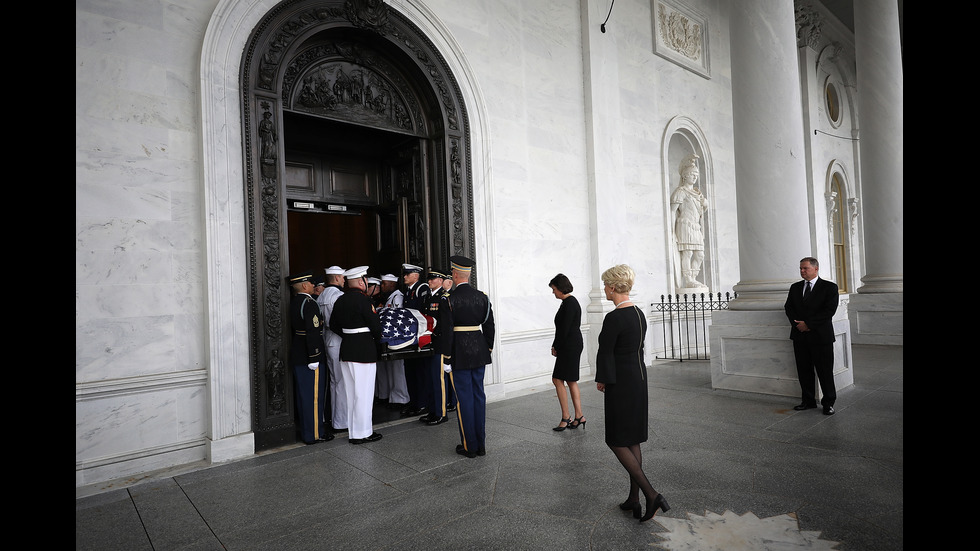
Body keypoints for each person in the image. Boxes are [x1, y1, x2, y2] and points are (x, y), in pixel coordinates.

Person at [595, 264, 669, 523]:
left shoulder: (614, 317)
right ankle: (634, 498)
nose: (604, 288)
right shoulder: (638, 313)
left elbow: (606, 351)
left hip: (621, 382)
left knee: (616, 440)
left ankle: (651, 494)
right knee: (632, 439)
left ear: (614, 287)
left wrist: (602, 379)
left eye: (605, 284)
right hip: (638, 379)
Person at [440, 255, 495, 458]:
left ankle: (469, 446)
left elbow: (446, 332)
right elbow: (489, 326)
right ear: (468, 275)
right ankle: (481, 445)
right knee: (479, 396)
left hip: (459, 354)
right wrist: (487, 349)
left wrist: (446, 357)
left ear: (454, 275)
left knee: (464, 400)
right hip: (479, 351)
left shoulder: (449, 299)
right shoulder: (483, 297)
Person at [330, 266, 384, 444]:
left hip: (347, 349)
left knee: (351, 393)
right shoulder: (363, 300)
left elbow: (333, 325)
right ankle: (363, 433)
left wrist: (349, 334)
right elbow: (376, 326)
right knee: (364, 393)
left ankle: (355, 431)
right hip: (363, 351)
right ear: (362, 282)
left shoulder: (340, 300)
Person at [784, 257, 839, 415]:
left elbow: (829, 311)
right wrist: (798, 325)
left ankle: (828, 403)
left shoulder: (829, 287)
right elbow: (789, 308)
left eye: (805, 268)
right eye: (800, 268)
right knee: (804, 370)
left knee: (825, 371)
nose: (802, 271)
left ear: (816, 269)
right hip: (800, 336)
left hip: (821, 337)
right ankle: (808, 401)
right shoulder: (795, 287)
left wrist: (808, 324)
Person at [287, 270, 333, 445]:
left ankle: (309, 431)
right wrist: (314, 356)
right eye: (311, 283)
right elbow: (313, 332)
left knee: (304, 396)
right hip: (309, 355)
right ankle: (314, 434)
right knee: (313, 398)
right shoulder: (309, 303)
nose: (314, 285)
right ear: (305, 285)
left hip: (299, 353)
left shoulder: (295, 302)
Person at [548, 273, 585, 431]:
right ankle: (579, 416)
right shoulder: (568, 302)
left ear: (561, 288)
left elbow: (564, 329)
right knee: (570, 380)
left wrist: (556, 345)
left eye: (554, 289)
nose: (553, 292)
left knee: (557, 379)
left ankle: (566, 417)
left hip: (569, 345)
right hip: (571, 343)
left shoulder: (569, 303)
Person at [670, 154, 709, 289]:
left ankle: (693, 277)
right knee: (688, 253)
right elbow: (672, 211)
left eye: (696, 175)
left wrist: (704, 203)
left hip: (695, 226)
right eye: (692, 174)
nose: (695, 177)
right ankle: (688, 279)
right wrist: (672, 231)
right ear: (685, 176)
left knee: (700, 254)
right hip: (684, 224)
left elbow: (700, 211)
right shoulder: (680, 191)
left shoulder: (698, 193)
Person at [317, 265, 348, 433]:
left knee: (335, 382)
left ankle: (334, 417)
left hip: (327, 339)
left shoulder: (322, 295)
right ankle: (341, 421)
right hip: (338, 339)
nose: (344, 281)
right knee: (341, 382)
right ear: (337, 278)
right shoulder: (338, 296)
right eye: (343, 278)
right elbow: (340, 321)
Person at [419, 268, 450, 425]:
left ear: (440, 281)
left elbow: (445, 324)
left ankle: (441, 413)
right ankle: (432, 411)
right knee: (430, 379)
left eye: (433, 279)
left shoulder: (443, 298)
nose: (429, 281)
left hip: (439, 343)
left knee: (439, 380)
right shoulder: (427, 297)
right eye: (429, 279)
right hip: (428, 343)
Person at [401, 263, 431, 417]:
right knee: (410, 370)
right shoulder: (408, 292)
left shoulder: (422, 289)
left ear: (416, 275)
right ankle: (414, 401)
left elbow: (423, 313)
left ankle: (422, 403)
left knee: (420, 372)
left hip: (420, 336)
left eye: (408, 274)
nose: (405, 276)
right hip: (410, 337)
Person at [379, 273, 410, 409]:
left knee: (397, 370)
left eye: (384, 284)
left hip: (397, 338)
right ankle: (394, 397)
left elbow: (396, 316)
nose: (382, 286)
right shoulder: (389, 297)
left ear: (392, 284)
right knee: (391, 369)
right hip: (390, 339)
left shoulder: (398, 297)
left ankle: (401, 398)